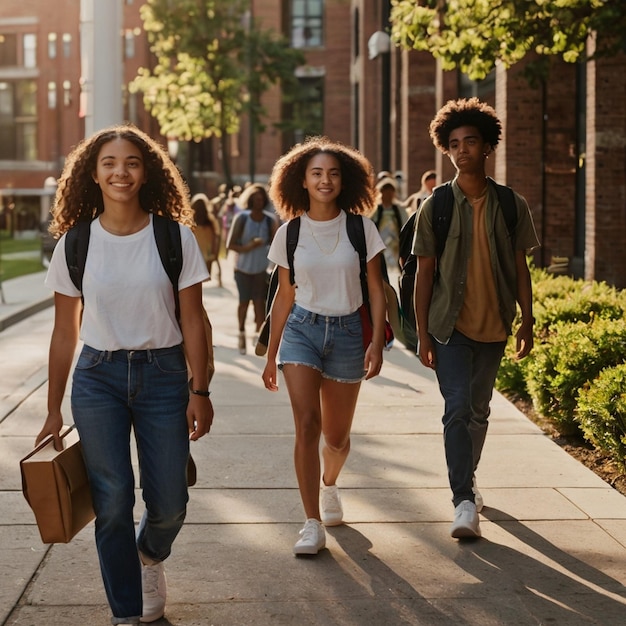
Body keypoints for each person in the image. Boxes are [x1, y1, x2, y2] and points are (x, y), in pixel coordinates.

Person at [35, 124, 214, 625]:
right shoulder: (75, 244)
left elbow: (194, 319)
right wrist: (52, 409)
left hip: (164, 376)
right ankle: (126, 612)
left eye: (132, 162)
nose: (121, 172)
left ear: (146, 171)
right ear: (92, 174)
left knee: (170, 503)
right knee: (111, 499)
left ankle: (149, 555)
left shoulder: (173, 236)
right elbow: (64, 334)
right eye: (109, 163)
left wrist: (200, 389)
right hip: (98, 378)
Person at [412, 98, 539, 539]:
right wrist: (424, 333)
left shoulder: (510, 203)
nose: (461, 150)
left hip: (495, 324)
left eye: (470, 142)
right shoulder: (436, 205)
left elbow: (521, 267)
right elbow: (423, 273)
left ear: (487, 146)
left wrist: (527, 319)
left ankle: (468, 480)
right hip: (449, 326)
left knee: (480, 412)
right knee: (457, 410)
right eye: (453, 144)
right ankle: (462, 500)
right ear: (445, 150)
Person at [261, 137, 387, 555]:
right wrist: (270, 353)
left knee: (337, 439)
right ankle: (311, 521)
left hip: (349, 332)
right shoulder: (289, 233)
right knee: (307, 425)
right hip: (302, 331)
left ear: (344, 180)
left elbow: (376, 287)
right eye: (316, 173)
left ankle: (329, 484)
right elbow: (283, 296)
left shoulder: (361, 228)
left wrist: (377, 343)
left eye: (333, 173)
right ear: (302, 180)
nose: (325, 180)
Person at [226, 183, 278, 354]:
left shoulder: (270, 219)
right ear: (250, 200)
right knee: (243, 301)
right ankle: (241, 332)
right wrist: (248, 247)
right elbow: (230, 244)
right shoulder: (242, 218)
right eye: (255, 199)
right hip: (242, 268)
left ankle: (258, 337)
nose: (258, 202)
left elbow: (275, 245)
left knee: (259, 304)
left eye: (261, 200)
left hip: (261, 269)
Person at [370, 176, 408, 273]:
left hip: (395, 246)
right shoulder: (376, 210)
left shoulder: (399, 210)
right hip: (380, 245)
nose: (387, 195)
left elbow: (405, 224)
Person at [191, 192, 223, 287]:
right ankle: (219, 280)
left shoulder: (190, 220)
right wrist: (215, 249)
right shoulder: (210, 220)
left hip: (196, 248)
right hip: (207, 248)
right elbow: (216, 235)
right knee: (214, 263)